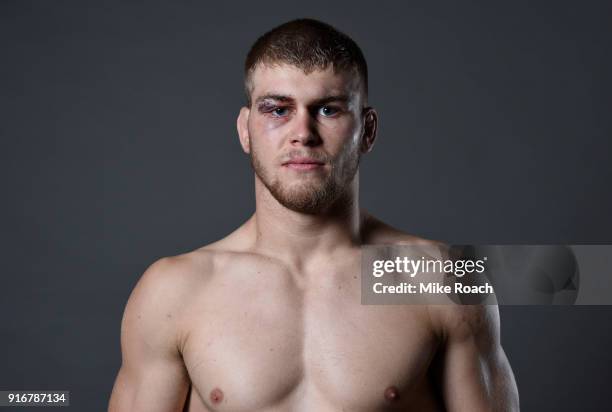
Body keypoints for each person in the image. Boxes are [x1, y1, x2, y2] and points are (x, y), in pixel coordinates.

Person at [108, 18, 519, 412]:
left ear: (368, 130)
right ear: (245, 130)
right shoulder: (174, 292)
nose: (302, 133)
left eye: (328, 109)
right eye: (277, 110)